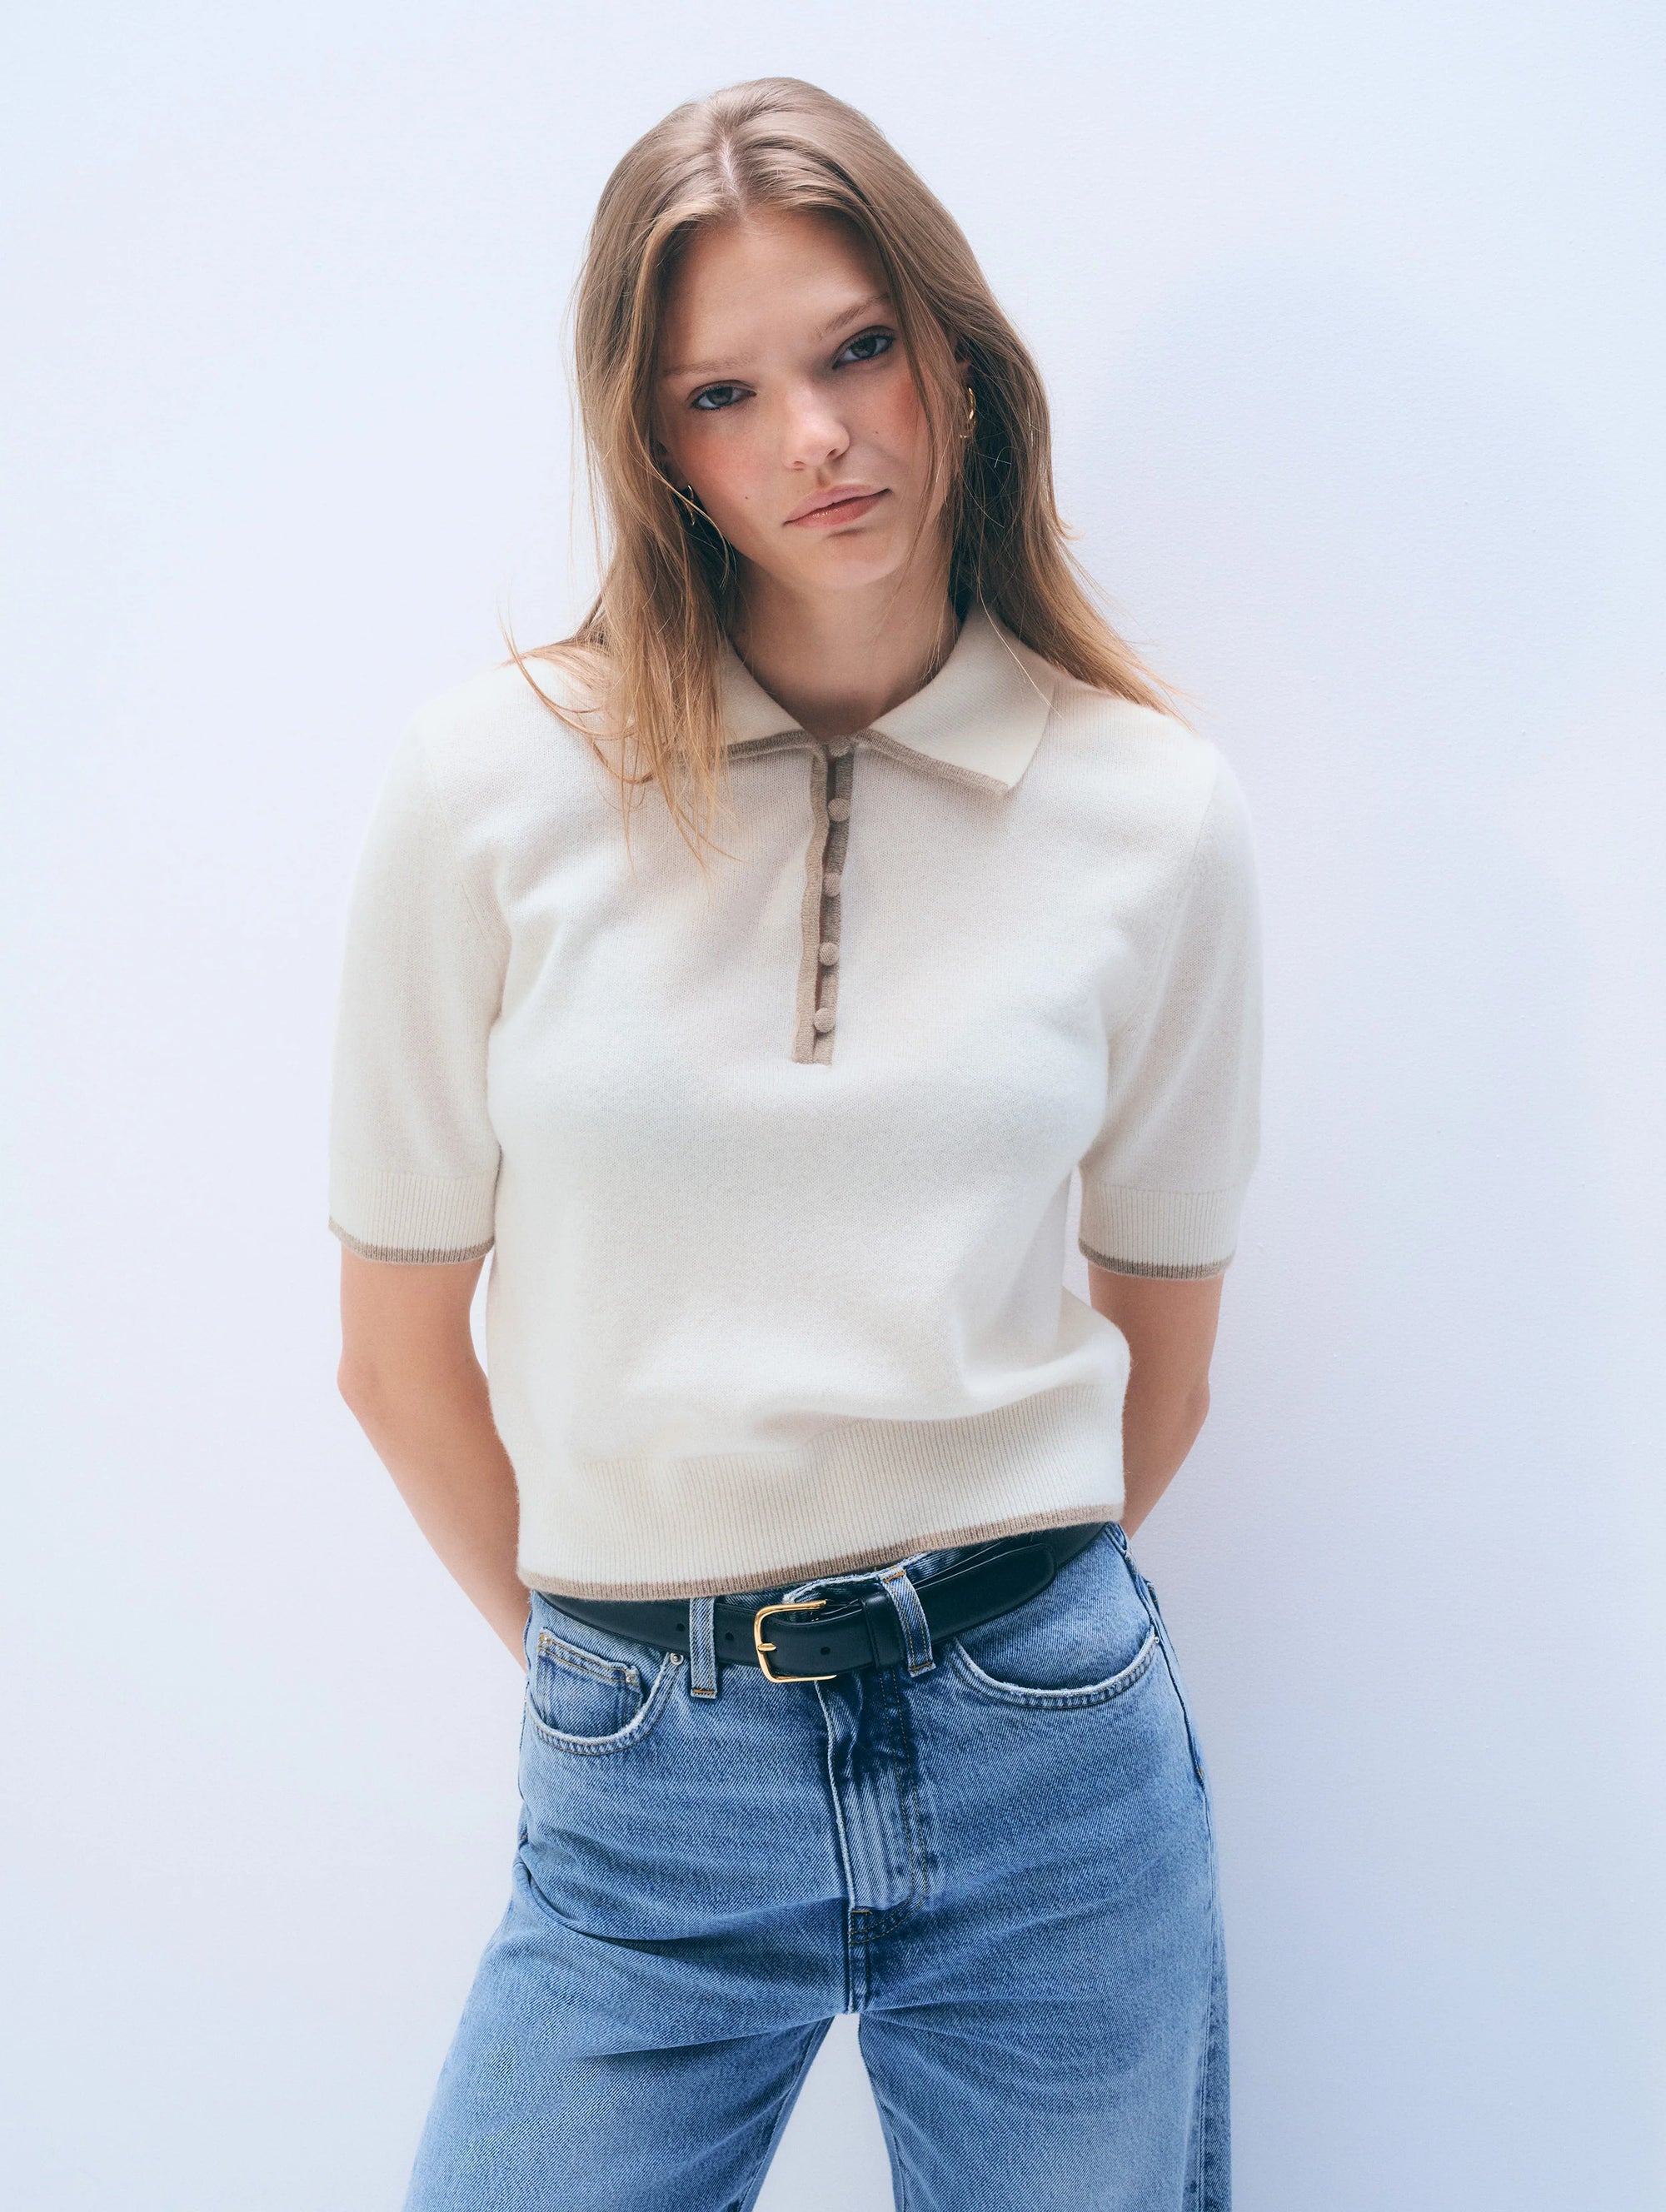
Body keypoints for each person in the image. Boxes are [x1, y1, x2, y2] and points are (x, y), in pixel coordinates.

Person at [329, 75, 1260, 2212]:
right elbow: (393, 1355)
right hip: (640, 1782)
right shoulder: (487, 788)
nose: (817, 438)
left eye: (854, 349)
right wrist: (632, 1686)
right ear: (658, 445)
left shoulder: (1151, 809)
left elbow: (1165, 1349)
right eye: (727, 393)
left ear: (953, 353)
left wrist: (978, 1629)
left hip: (1051, 1757)